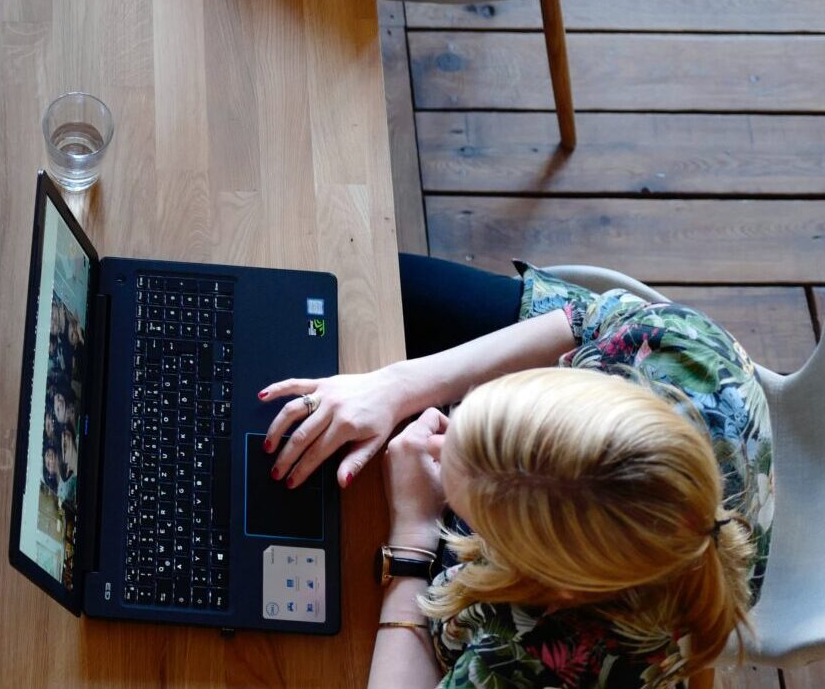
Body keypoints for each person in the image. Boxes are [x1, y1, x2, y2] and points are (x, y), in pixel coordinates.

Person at [259, 256, 772, 687]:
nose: (442, 427)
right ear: (581, 380)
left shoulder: (556, 652)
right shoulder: (680, 347)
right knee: (353, 275)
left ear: (544, 578)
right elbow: (585, 318)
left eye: (465, 507)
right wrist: (397, 386)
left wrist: (414, 534)